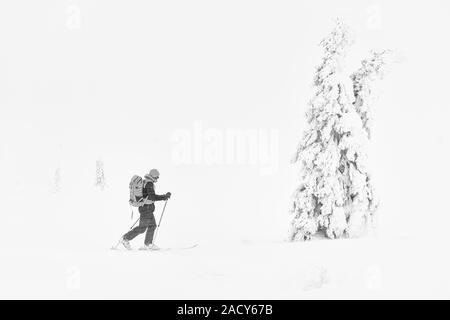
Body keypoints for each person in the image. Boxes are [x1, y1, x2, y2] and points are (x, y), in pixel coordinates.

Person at [119, 169, 171, 250]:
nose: (157, 179)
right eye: (157, 177)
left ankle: (148, 244)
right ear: (153, 176)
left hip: (146, 208)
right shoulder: (149, 183)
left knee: (152, 225)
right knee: (142, 228)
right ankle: (125, 239)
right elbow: (152, 197)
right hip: (146, 208)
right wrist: (164, 197)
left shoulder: (145, 182)